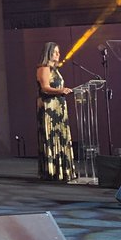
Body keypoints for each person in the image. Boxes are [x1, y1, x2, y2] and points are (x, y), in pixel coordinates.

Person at [36, 41, 75, 183]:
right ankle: (52, 171)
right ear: (48, 53)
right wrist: (61, 90)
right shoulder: (44, 68)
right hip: (49, 108)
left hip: (59, 107)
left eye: (59, 52)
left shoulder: (55, 69)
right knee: (52, 138)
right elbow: (45, 88)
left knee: (61, 137)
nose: (58, 55)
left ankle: (62, 170)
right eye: (55, 52)